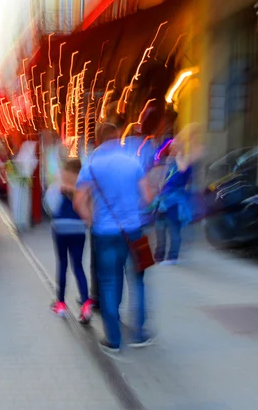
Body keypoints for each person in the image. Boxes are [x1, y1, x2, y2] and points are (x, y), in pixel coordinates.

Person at [74, 111, 154, 356]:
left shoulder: (92, 165)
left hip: (105, 234)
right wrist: (133, 212)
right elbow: (148, 198)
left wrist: (91, 219)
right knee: (138, 281)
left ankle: (114, 340)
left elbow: (79, 202)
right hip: (134, 231)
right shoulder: (133, 162)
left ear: (98, 141)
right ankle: (139, 334)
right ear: (118, 138)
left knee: (109, 283)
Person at [44, 159, 94, 323]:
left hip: (60, 227)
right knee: (78, 265)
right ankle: (86, 304)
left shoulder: (59, 181)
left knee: (63, 264)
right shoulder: (83, 183)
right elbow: (89, 206)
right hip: (78, 227)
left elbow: (49, 204)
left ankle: (61, 304)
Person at [153, 124, 203, 265]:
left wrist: (179, 154)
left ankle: (172, 257)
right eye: (171, 148)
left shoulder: (184, 161)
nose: (172, 150)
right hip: (163, 199)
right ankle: (159, 256)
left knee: (173, 228)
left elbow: (182, 169)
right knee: (160, 229)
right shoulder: (169, 162)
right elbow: (162, 180)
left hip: (175, 200)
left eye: (175, 148)